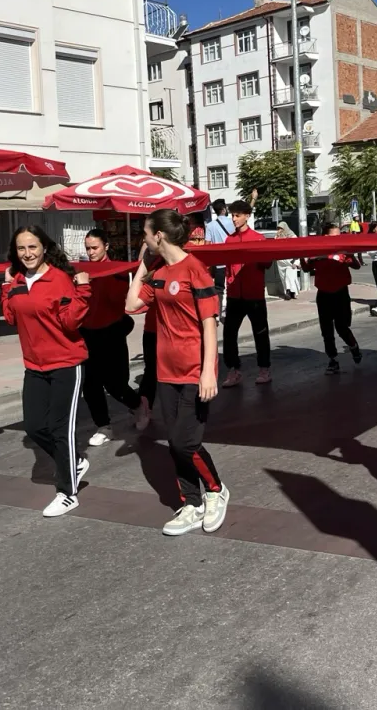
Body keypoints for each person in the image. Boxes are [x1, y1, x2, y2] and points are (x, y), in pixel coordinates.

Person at [125, 209, 228, 536]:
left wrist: (209, 372)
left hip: (195, 370)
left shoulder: (195, 269)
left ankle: (216, 490)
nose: (143, 237)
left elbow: (209, 324)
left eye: (145, 232)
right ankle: (192, 502)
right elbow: (130, 305)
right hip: (166, 372)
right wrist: (142, 263)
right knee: (174, 441)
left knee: (186, 441)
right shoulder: (158, 271)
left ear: (159, 235)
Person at [2, 226, 93, 517]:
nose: (27, 253)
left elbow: (70, 323)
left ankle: (68, 493)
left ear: (44, 248)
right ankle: (74, 462)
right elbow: (10, 318)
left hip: (66, 363)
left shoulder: (59, 279)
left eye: (32, 247)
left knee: (60, 430)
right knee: (33, 427)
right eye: (21, 248)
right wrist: (5, 288)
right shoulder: (16, 281)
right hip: (34, 365)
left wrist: (83, 291)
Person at [80, 229, 146, 444]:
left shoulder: (116, 271)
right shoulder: (82, 271)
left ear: (106, 246)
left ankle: (138, 406)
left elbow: (119, 302)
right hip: (87, 333)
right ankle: (103, 426)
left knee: (116, 384)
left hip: (111, 332)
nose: (90, 252)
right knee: (90, 385)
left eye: (94, 248)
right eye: (88, 248)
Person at [222, 201, 272, 386]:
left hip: (254, 295)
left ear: (247, 216)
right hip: (235, 295)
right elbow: (227, 267)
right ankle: (233, 370)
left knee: (260, 333)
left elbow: (268, 263)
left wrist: (258, 254)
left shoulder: (258, 238)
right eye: (232, 215)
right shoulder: (229, 240)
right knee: (229, 334)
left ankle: (264, 369)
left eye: (237, 215)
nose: (233, 219)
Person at [304, 222, 363, 374]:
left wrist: (349, 254)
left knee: (342, 327)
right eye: (335, 235)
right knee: (327, 331)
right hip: (323, 294)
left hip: (341, 293)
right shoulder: (316, 252)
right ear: (325, 236)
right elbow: (306, 268)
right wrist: (302, 257)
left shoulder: (343, 251)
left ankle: (353, 347)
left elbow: (357, 266)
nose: (339, 237)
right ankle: (333, 360)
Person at [206, 198, 234, 305]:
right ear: (223, 209)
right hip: (232, 260)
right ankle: (231, 309)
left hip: (219, 262)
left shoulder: (210, 226)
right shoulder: (232, 222)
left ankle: (218, 312)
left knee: (219, 288)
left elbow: (207, 245)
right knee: (233, 286)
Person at [274, 221, 301, 299]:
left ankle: (290, 293)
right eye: (278, 228)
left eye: (281, 228)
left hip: (290, 261)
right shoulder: (276, 237)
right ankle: (290, 292)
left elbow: (297, 249)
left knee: (289, 277)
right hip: (280, 261)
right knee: (283, 278)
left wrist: (296, 262)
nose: (279, 230)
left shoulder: (292, 237)